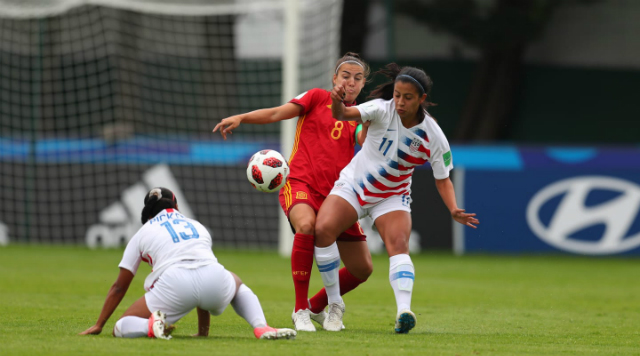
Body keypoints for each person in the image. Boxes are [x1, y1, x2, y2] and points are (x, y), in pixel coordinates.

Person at [212, 53, 374, 332]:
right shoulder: (315, 97)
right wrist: (242, 117)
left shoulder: (359, 114)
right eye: (345, 75)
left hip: (337, 194)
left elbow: (362, 139)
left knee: (363, 269)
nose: (351, 82)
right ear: (334, 79)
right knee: (306, 226)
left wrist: (373, 123)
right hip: (300, 183)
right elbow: (277, 113)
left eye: (357, 78)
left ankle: (315, 306)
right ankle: (299, 309)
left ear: (362, 86)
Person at [313, 63, 480, 333]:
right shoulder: (381, 108)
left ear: (422, 99)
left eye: (408, 97)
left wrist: (453, 209)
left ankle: (404, 311)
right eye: (398, 95)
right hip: (354, 186)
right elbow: (343, 114)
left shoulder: (433, 135)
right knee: (322, 230)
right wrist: (337, 101)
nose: (400, 102)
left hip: (391, 195)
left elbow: (443, 178)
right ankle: (334, 306)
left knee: (399, 245)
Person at [79, 187, 296, 340]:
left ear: (147, 213)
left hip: (174, 286)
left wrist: (100, 324)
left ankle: (151, 326)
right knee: (236, 283)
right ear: (176, 204)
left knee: (122, 325)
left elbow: (119, 286)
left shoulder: (142, 232)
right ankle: (261, 326)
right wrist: (203, 331)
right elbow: (201, 272)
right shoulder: (196, 225)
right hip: (214, 281)